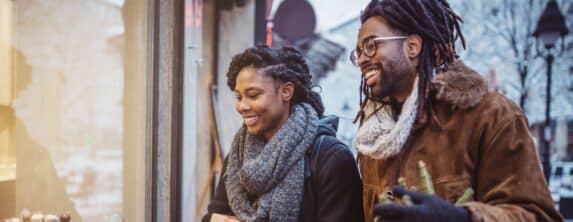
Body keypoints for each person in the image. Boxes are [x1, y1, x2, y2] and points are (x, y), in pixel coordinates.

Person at [350, 0, 563, 221]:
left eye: (371, 46)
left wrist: (463, 218)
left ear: (412, 47)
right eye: (358, 52)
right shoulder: (374, 139)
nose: (363, 59)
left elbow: (538, 215)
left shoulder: (492, 117)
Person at [202, 45, 364, 222]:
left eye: (253, 95)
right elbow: (214, 215)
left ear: (286, 91)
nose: (242, 106)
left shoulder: (331, 158)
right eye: (239, 97)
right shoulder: (238, 156)